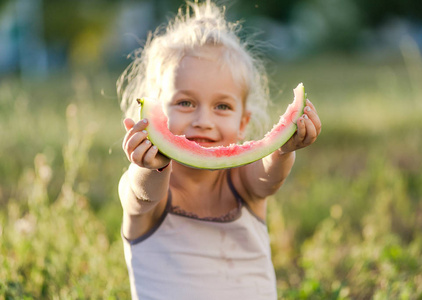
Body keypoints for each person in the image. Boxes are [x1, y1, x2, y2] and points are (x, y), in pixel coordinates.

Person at [117, 1, 321, 299]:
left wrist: (282, 149)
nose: (203, 121)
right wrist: (149, 167)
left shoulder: (242, 181)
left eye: (222, 106)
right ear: (156, 111)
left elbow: (267, 178)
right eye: (185, 103)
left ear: (243, 122)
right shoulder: (149, 193)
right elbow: (141, 196)